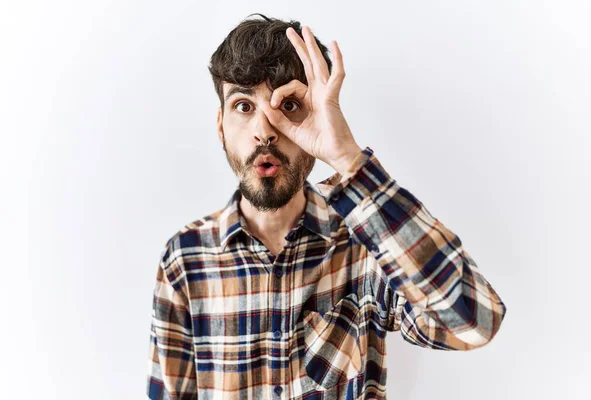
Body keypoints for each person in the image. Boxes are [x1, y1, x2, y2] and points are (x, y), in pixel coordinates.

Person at [146, 13, 507, 400]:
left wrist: (348, 159)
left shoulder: (365, 245)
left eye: (287, 105)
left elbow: (474, 320)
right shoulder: (185, 259)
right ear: (221, 126)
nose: (264, 130)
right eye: (243, 106)